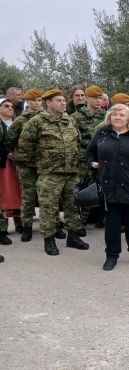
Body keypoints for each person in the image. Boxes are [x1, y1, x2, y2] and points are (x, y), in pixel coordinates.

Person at [18, 89, 89, 255]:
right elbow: (24, 147)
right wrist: (41, 164)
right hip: (49, 173)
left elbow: (77, 142)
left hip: (71, 172)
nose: (63, 103)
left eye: (64, 100)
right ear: (48, 103)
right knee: (48, 207)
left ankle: (73, 236)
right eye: (59, 100)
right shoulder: (36, 121)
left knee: (73, 206)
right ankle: (49, 240)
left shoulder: (69, 120)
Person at [87, 105, 129, 270]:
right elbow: (90, 151)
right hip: (109, 185)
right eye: (114, 114)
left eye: (121, 115)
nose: (117, 117)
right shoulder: (103, 133)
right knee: (112, 224)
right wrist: (92, 163)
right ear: (109, 117)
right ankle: (111, 256)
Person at [5, 89, 44, 242]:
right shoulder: (20, 120)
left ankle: (52, 224)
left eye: (39, 100)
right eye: (34, 100)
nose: (37, 103)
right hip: (26, 165)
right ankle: (27, 227)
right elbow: (9, 141)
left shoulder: (47, 118)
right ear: (28, 102)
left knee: (47, 196)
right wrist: (20, 154)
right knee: (28, 196)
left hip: (44, 164)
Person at [71, 85, 107, 229]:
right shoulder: (77, 117)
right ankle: (82, 221)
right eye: (95, 98)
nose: (98, 101)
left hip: (104, 158)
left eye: (100, 98)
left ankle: (106, 219)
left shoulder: (107, 116)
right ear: (86, 98)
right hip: (83, 160)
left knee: (106, 188)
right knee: (85, 188)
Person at [0, 98, 21, 244]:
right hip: (4, 163)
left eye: (11, 107)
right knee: (4, 194)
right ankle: (2, 229)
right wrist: (7, 153)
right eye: (6, 106)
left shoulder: (15, 123)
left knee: (18, 192)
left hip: (17, 163)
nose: (10, 108)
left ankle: (20, 223)